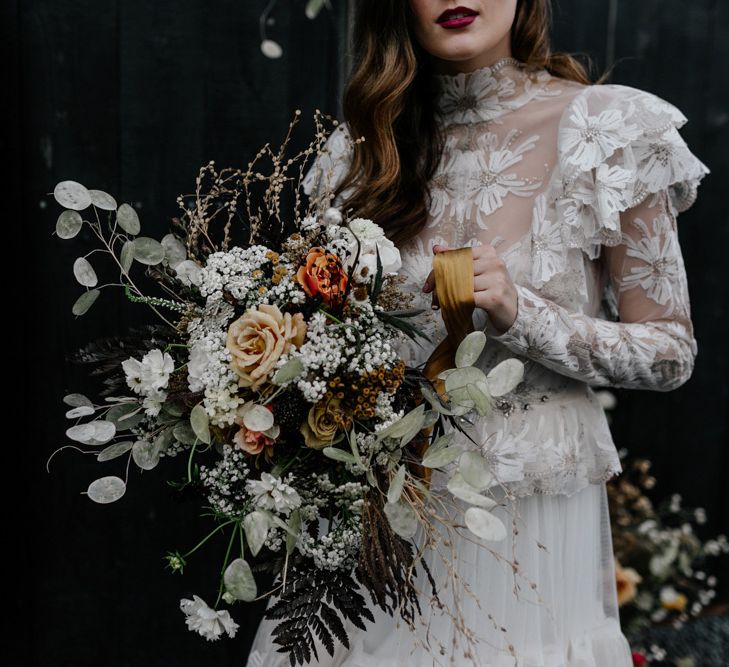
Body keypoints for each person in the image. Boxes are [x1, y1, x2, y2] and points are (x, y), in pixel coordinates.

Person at [247, 1, 709, 665]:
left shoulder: (605, 129)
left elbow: (670, 352)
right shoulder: (357, 151)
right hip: (379, 516)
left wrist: (524, 314)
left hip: (527, 527)